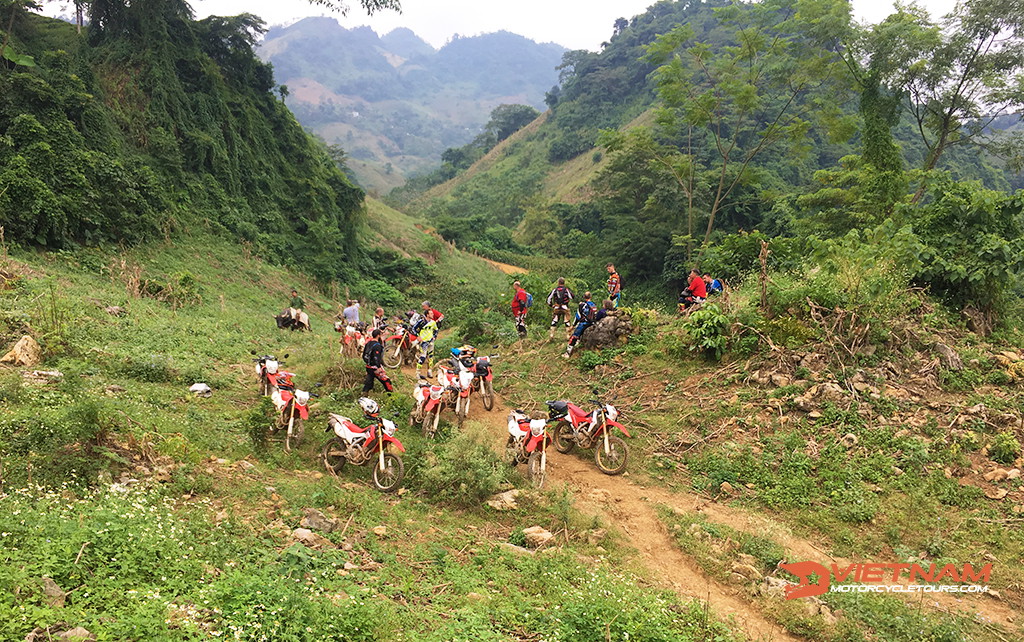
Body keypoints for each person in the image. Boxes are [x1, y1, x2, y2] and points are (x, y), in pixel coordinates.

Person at [361, 329, 393, 393]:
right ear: (378, 336)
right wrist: (378, 367)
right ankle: (391, 397)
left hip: (368, 366)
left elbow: (363, 355)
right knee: (386, 381)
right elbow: (376, 357)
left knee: (368, 383)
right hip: (375, 368)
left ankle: (364, 394)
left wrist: (368, 363)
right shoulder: (377, 346)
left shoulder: (368, 343)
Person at [415, 310, 439, 377]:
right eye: (431, 313)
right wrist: (418, 336)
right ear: (427, 314)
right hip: (423, 342)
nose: (433, 315)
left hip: (431, 341)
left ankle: (429, 371)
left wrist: (434, 336)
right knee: (423, 356)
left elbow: (436, 330)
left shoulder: (433, 322)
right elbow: (414, 328)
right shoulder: (421, 322)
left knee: (431, 357)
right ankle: (417, 372)